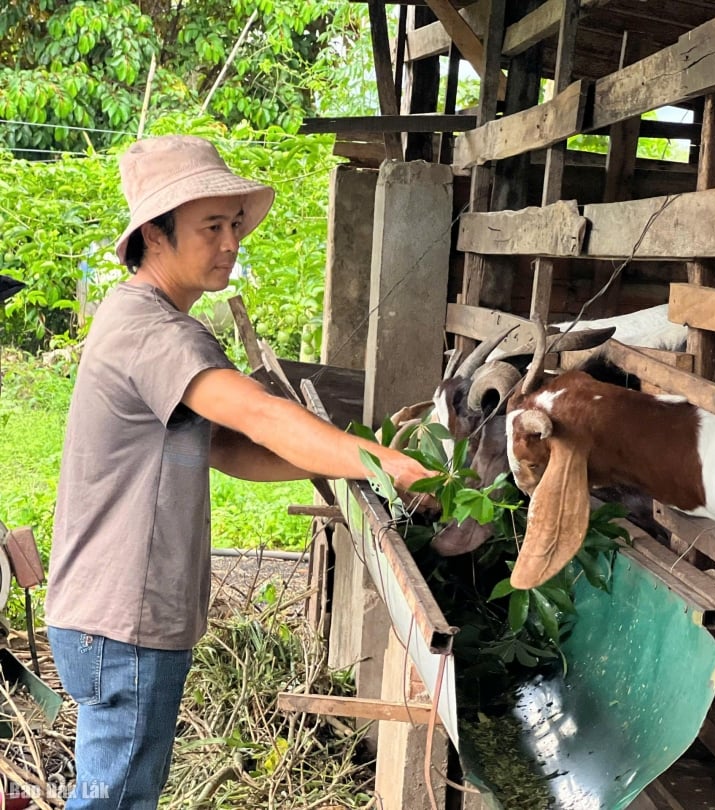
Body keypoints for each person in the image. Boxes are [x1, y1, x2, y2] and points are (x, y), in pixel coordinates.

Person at [44, 135, 434, 809]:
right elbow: (259, 415)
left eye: (234, 225)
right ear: (156, 237)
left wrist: (356, 464)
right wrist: (389, 462)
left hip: (108, 616)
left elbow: (226, 447)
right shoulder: (157, 332)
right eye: (212, 227)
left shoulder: (140, 317)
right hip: (125, 620)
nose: (231, 242)